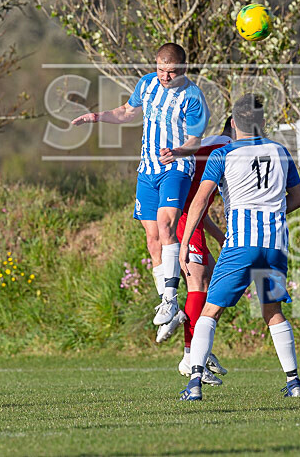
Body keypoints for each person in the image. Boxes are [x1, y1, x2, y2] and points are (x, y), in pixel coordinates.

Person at [71, 43, 208, 337]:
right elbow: (125, 112)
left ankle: (170, 300)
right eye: (160, 69)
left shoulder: (193, 96)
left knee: (166, 224)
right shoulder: (146, 84)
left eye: (170, 72)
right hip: (146, 171)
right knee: (152, 239)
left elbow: (196, 140)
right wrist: (95, 117)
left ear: (182, 69)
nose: (164, 77)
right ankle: (168, 305)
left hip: (176, 168)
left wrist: (179, 152)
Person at [178, 94, 300, 401]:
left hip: (241, 245)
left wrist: (185, 243)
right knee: (273, 311)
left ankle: (194, 382)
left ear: (233, 123)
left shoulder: (223, 154)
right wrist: (273, 214)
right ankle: (294, 382)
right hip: (274, 245)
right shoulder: (280, 151)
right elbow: (299, 197)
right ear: (263, 122)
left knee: (211, 310)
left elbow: (198, 202)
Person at [158, 117, 235, 386]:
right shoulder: (229, 150)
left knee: (216, 281)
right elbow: (197, 204)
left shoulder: (214, 143)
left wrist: (221, 237)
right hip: (183, 218)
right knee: (199, 286)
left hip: (187, 216)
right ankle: (191, 357)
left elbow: (199, 205)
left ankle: (191, 327)